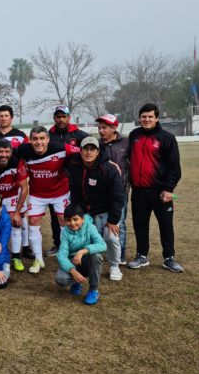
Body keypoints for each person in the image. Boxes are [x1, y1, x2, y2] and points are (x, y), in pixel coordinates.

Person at [3, 126, 80, 274]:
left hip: (60, 192)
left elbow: (85, 150)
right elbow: (3, 148)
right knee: (33, 222)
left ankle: (66, 255)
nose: (39, 142)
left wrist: (106, 160)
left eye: (42, 138)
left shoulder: (61, 148)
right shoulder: (24, 149)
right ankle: (38, 259)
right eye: (35, 139)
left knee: (64, 221)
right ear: (30, 140)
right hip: (37, 194)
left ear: (48, 139)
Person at [126, 103, 183, 272]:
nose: (147, 119)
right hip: (138, 191)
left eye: (150, 116)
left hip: (160, 192)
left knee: (166, 225)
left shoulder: (166, 138)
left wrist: (169, 189)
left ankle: (169, 258)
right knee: (140, 224)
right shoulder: (134, 135)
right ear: (139, 118)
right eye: (144, 116)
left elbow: (175, 167)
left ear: (157, 118)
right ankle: (142, 256)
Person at [66, 137, 125, 281]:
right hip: (86, 211)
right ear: (80, 151)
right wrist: (77, 212)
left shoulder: (108, 168)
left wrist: (113, 219)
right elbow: (74, 190)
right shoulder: (74, 164)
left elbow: (118, 196)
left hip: (107, 210)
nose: (88, 152)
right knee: (87, 238)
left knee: (111, 237)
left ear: (98, 152)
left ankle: (114, 265)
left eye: (92, 149)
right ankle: (86, 264)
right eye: (85, 149)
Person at [0, 139, 29, 272]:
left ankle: (15, 257)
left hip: (11, 196)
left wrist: (18, 212)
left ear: (11, 152)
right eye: (0, 151)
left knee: (15, 222)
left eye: (7, 151)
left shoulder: (16, 162)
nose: (4, 154)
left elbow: (24, 188)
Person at [47, 105, 89, 257]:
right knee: (56, 216)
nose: (61, 119)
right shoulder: (48, 135)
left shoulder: (79, 134)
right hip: (55, 183)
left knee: (77, 213)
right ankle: (58, 244)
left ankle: (78, 244)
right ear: (54, 118)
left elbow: (94, 149)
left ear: (69, 117)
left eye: (64, 116)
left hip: (76, 181)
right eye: (58, 117)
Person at [54, 205, 106, 305]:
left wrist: (83, 251)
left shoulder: (90, 227)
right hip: (73, 263)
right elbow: (61, 255)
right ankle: (76, 282)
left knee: (97, 256)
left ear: (82, 219)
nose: (72, 223)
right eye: (68, 220)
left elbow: (102, 245)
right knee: (60, 279)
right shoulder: (65, 232)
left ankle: (93, 291)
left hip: (87, 261)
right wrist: (72, 270)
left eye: (75, 219)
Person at [97, 113, 130, 264]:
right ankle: (98, 252)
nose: (101, 131)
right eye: (99, 127)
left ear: (114, 128)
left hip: (120, 191)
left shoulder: (126, 143)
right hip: (101, 193)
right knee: (98, 224)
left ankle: (121, 254)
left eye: (104, 128)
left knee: (120, 223)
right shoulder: (96, 145)